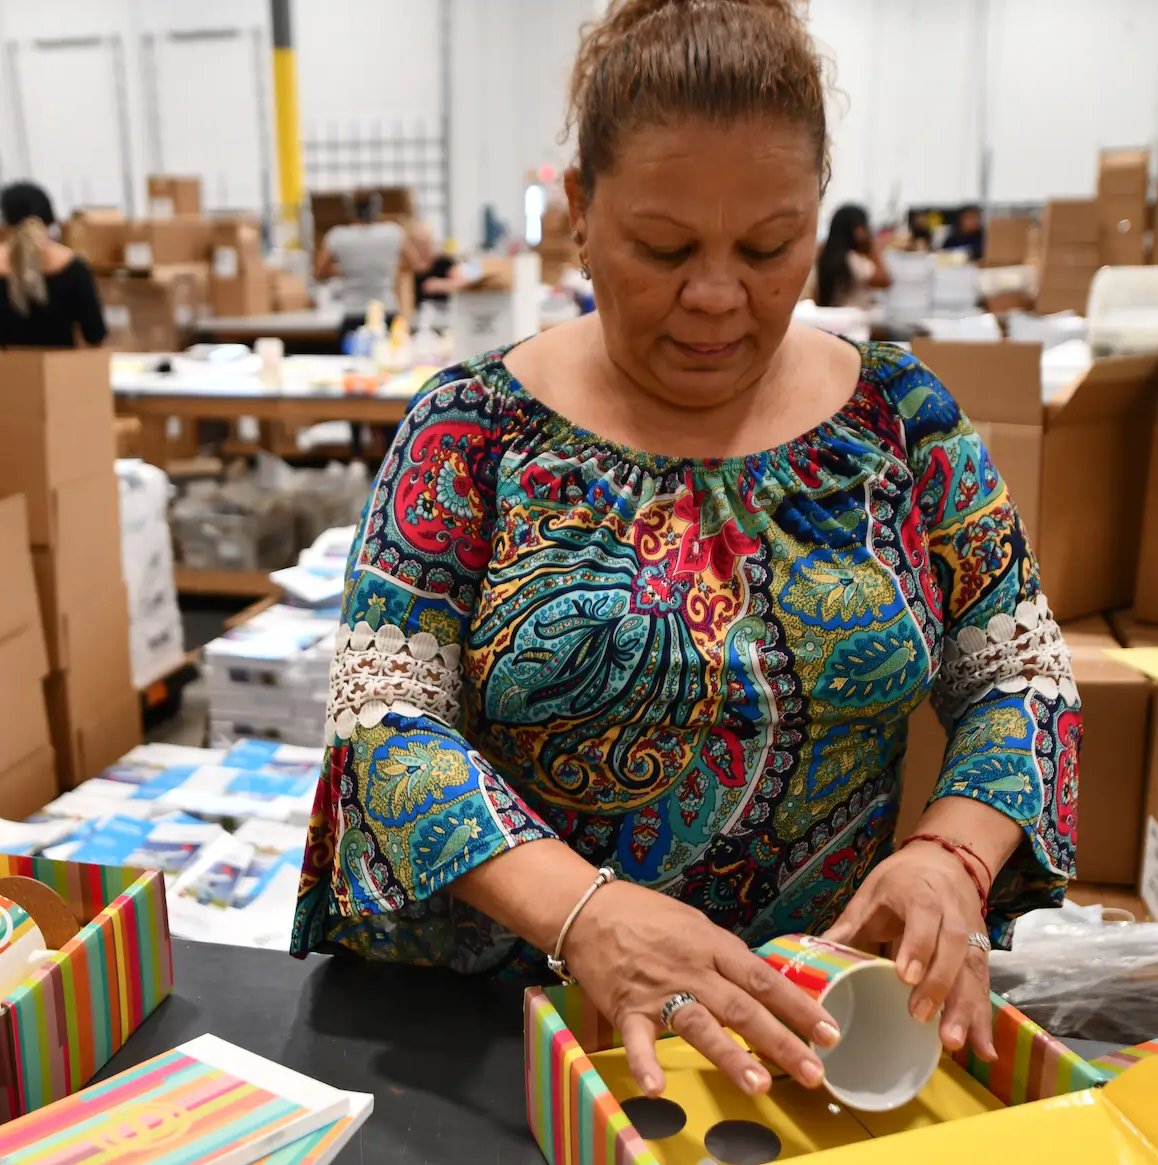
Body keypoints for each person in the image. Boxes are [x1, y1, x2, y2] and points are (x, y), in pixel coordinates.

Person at [297, 0, 1077, 1103]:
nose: (715, 297)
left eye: (769, 247)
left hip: (810, 1048)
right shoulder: (473, 428)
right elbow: (383, 718)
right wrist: (583, 911)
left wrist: (950, 854)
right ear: (579, 211)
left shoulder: (900, 420)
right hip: (508, 1046)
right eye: (663, 248)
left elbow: (1018, 673)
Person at [0, 182, 106, 349]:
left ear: (5, 220)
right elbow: (95, 335)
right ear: (49, 217)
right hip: (61, 371)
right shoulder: (73, 267)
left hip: (5, 372)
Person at [315, 195, 409, 344]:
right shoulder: (393, 232)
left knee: (351, 365)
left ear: (350, 210)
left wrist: (345, 269)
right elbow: (415, 264)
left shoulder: (337, 236)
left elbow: (319, 273)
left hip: (353, 313)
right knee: (389, 362)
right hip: (387, 311)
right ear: (377, 209)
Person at [807, 202, 893, 309]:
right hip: (852, 318)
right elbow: (884, 280)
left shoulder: (823, 257)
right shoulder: (852, 261)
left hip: (828, 316)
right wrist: (874, 248)